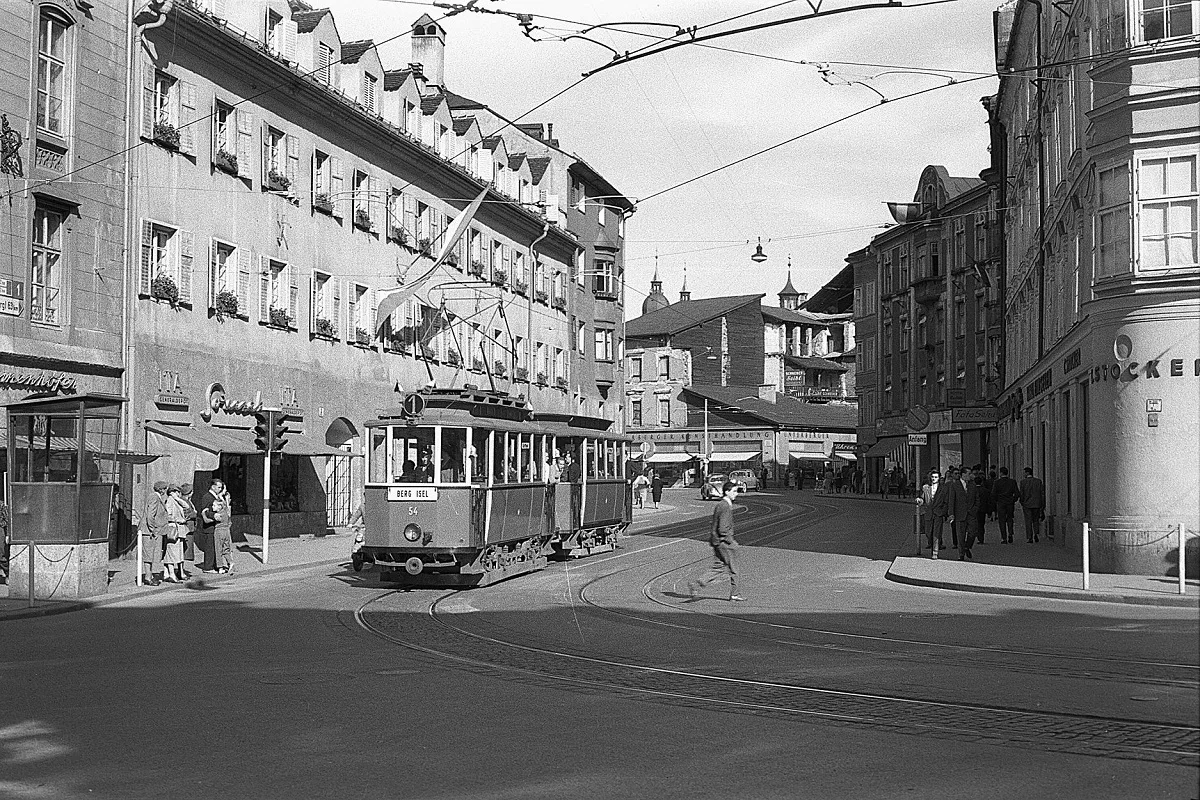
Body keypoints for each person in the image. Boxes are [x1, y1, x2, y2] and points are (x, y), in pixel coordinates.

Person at [688, 481, 745, 601]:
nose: (736, 494)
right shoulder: (725, 506)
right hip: (724, 542)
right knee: (735, 569)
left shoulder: (721, 504)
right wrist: (730, 541)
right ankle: (735, 593)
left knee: (718, 567)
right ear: (726, 492)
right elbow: (723, 528)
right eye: (734, 491)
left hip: (717, 541)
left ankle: (697, 585)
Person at [139, 481, 169, 585]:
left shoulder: (156, 497)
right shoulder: (154, 497)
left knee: (152, 555)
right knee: (148, 554)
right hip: (149, 531)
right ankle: (148, 577)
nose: (166, 491)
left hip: (154, 530)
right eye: (165, 489)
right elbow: (150, 515)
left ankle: (149, 575)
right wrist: (153, 530)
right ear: (161, 490)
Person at [916, 469, 949, 558]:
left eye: (936, 477)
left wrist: (943, 512)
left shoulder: (943, 488)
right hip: (929, 512)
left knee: (936, 533)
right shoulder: (926, 487)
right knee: (928, 531)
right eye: (932, 477)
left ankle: (935, 552)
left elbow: (946, 501)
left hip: (938, 513)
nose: (934, 479)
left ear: (939, 478)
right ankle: (931, 543)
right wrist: (920, 500)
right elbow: (923, 498)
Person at [948, 466, 978, 560]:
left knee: (973, 532)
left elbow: (977, 499)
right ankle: (961, 555)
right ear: (963, 475)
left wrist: (975, 509)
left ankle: (967, 546)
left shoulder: (973, 485)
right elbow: (951, 500)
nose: (971, 476)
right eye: (969, 474)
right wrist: (951, 513)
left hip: (971, 513)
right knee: (960, 535)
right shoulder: (955, 485)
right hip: (959, 514)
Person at [196, 478, 224, 573]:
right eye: (218, 487)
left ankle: (215, 565)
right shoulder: (207, 497)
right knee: (210, 547)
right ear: (213, 486)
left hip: (214, 526)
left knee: (214, 546)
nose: (220, 489)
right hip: (209, 527)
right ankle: (208, 567)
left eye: (221, 487)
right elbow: (205, 511)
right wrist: (214, 515)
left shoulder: (215, 496)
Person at [162, 485, 188, 583]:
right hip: (173, 529)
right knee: (172, 552)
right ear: (175, 491)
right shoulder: (169, 501)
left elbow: (187, 506)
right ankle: (171, 574)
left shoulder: (175, 500)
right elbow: (168, 515)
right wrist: (178, 519)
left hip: (179, 529)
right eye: (178, 492)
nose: (179, 494)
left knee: (177, 552)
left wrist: (177, 499)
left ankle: (167, 573)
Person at [991, 467, 1020, 544]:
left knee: (1002, 521)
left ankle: (1004, 538)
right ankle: (1010, 533)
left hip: (1001, 503)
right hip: (1010, 503)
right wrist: (1013, 500)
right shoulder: (1012, 482)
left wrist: (997, 500)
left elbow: (993, 494)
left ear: (1001, 473)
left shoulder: (997, 482)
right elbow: (1017, 493)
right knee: (1010, 518)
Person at [1018, 466, 1046, 544]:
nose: (1023, 474)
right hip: (1037, 504)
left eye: (1024, 472)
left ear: (1027, 473)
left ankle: (1029, 537)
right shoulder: (1038, 481)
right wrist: (1042, 504)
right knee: (1035, 520)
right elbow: (1042, 493)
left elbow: (1022, 493)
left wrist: (1022, 501)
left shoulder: (1023, 482)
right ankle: (1036, 533)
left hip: (1027, 504)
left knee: (1028, 521)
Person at [211, 481, 234, 573]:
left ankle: (220, 567)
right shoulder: (226, 512)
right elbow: (226, 505)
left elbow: (208, 520)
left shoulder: (218, 515)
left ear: (219, 507)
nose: (212, 507)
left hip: (219, 531)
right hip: (227, 531)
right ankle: (230, 562)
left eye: (214, 506)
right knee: (226, 549)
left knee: (218, 549)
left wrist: (204, 514)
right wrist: (223, 495)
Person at [178, 484, 198, 568]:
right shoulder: (183, 501)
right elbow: (186, 513)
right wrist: (194, 513)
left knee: (186, 550)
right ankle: (181, 570)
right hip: (187, 527)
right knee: (184, 549)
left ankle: (182, 569)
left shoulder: (188, 501)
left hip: (190, 527)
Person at [971, 465, 989, 545]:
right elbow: (988, 500)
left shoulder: (973, 491)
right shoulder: (985, 490)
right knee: (982, 524)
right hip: (983, 509)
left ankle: (977, 537)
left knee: (976, 523)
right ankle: (981, 538)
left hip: (974, 509)